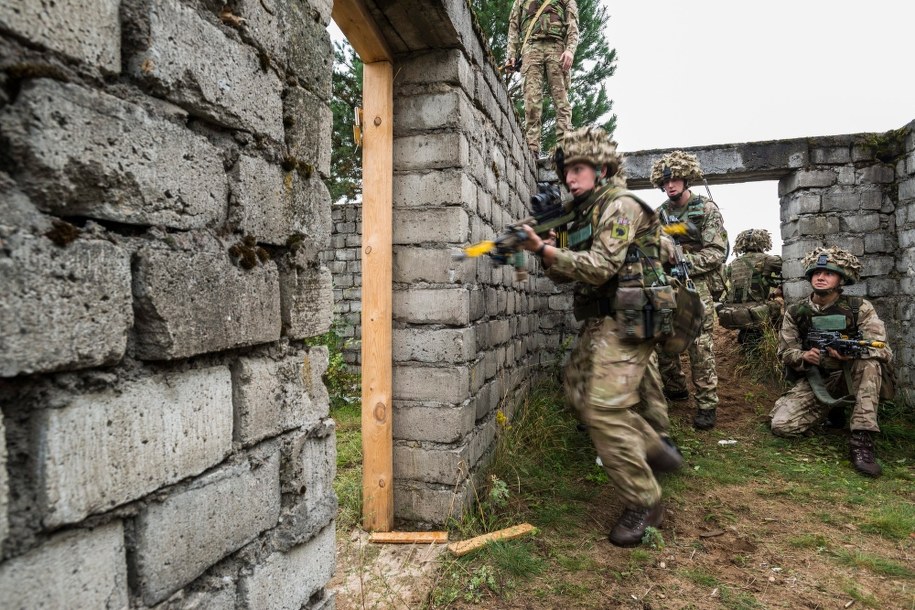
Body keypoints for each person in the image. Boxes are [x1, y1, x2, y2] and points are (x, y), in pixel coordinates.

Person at [520, 127, 682, 547]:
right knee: (576, 391)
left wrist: (544, 250)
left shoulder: (621, 205)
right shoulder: (583, 213)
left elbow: (597, 268)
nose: (569, 179)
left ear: (602, 167)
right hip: (602, 319)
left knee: (605, 410)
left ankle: (644, 501)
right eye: (566, 172)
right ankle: (652, 445)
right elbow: (564, 273)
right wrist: (548, 249)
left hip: (632, 318)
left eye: (577, 169)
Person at [770, 246, 892, 477]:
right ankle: (830, 412)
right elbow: (785, 351)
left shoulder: (859, 308)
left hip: (853, 375)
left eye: (828, 273)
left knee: (869, 364)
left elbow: (882, 349)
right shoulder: (797, 312)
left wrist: (852, 354)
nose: (821, 277)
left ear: (841, 279)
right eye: (816, 273)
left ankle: (862, 439)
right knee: (782, 425)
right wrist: (803, 357)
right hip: (819, 378)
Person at [651, 151, 727, 430]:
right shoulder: (660, 213)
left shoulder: (706, 209)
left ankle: (707, 403)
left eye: (675, 180)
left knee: (699, 342)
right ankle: (675, 388)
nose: (670, 185)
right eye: (665, 181)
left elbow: (717, 253)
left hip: (698, 281)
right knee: (661, 336)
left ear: (686, 179)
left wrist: (685, 262)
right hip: (665, 282)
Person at [505, 0, 579, 155]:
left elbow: (573, 23)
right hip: (531, 49)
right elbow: (514, 26)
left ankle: (565, 149)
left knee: (562, 102)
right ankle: (531, 150)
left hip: (557, 47)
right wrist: (511, 55)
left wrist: (570, 50)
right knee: (531, 102)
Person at [717, 229, 783, 346]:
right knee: (780, 304)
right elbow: (788, 265)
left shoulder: (733, 263)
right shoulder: (767, 259)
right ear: (763, 241)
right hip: (757, 310)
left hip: (734, 311)